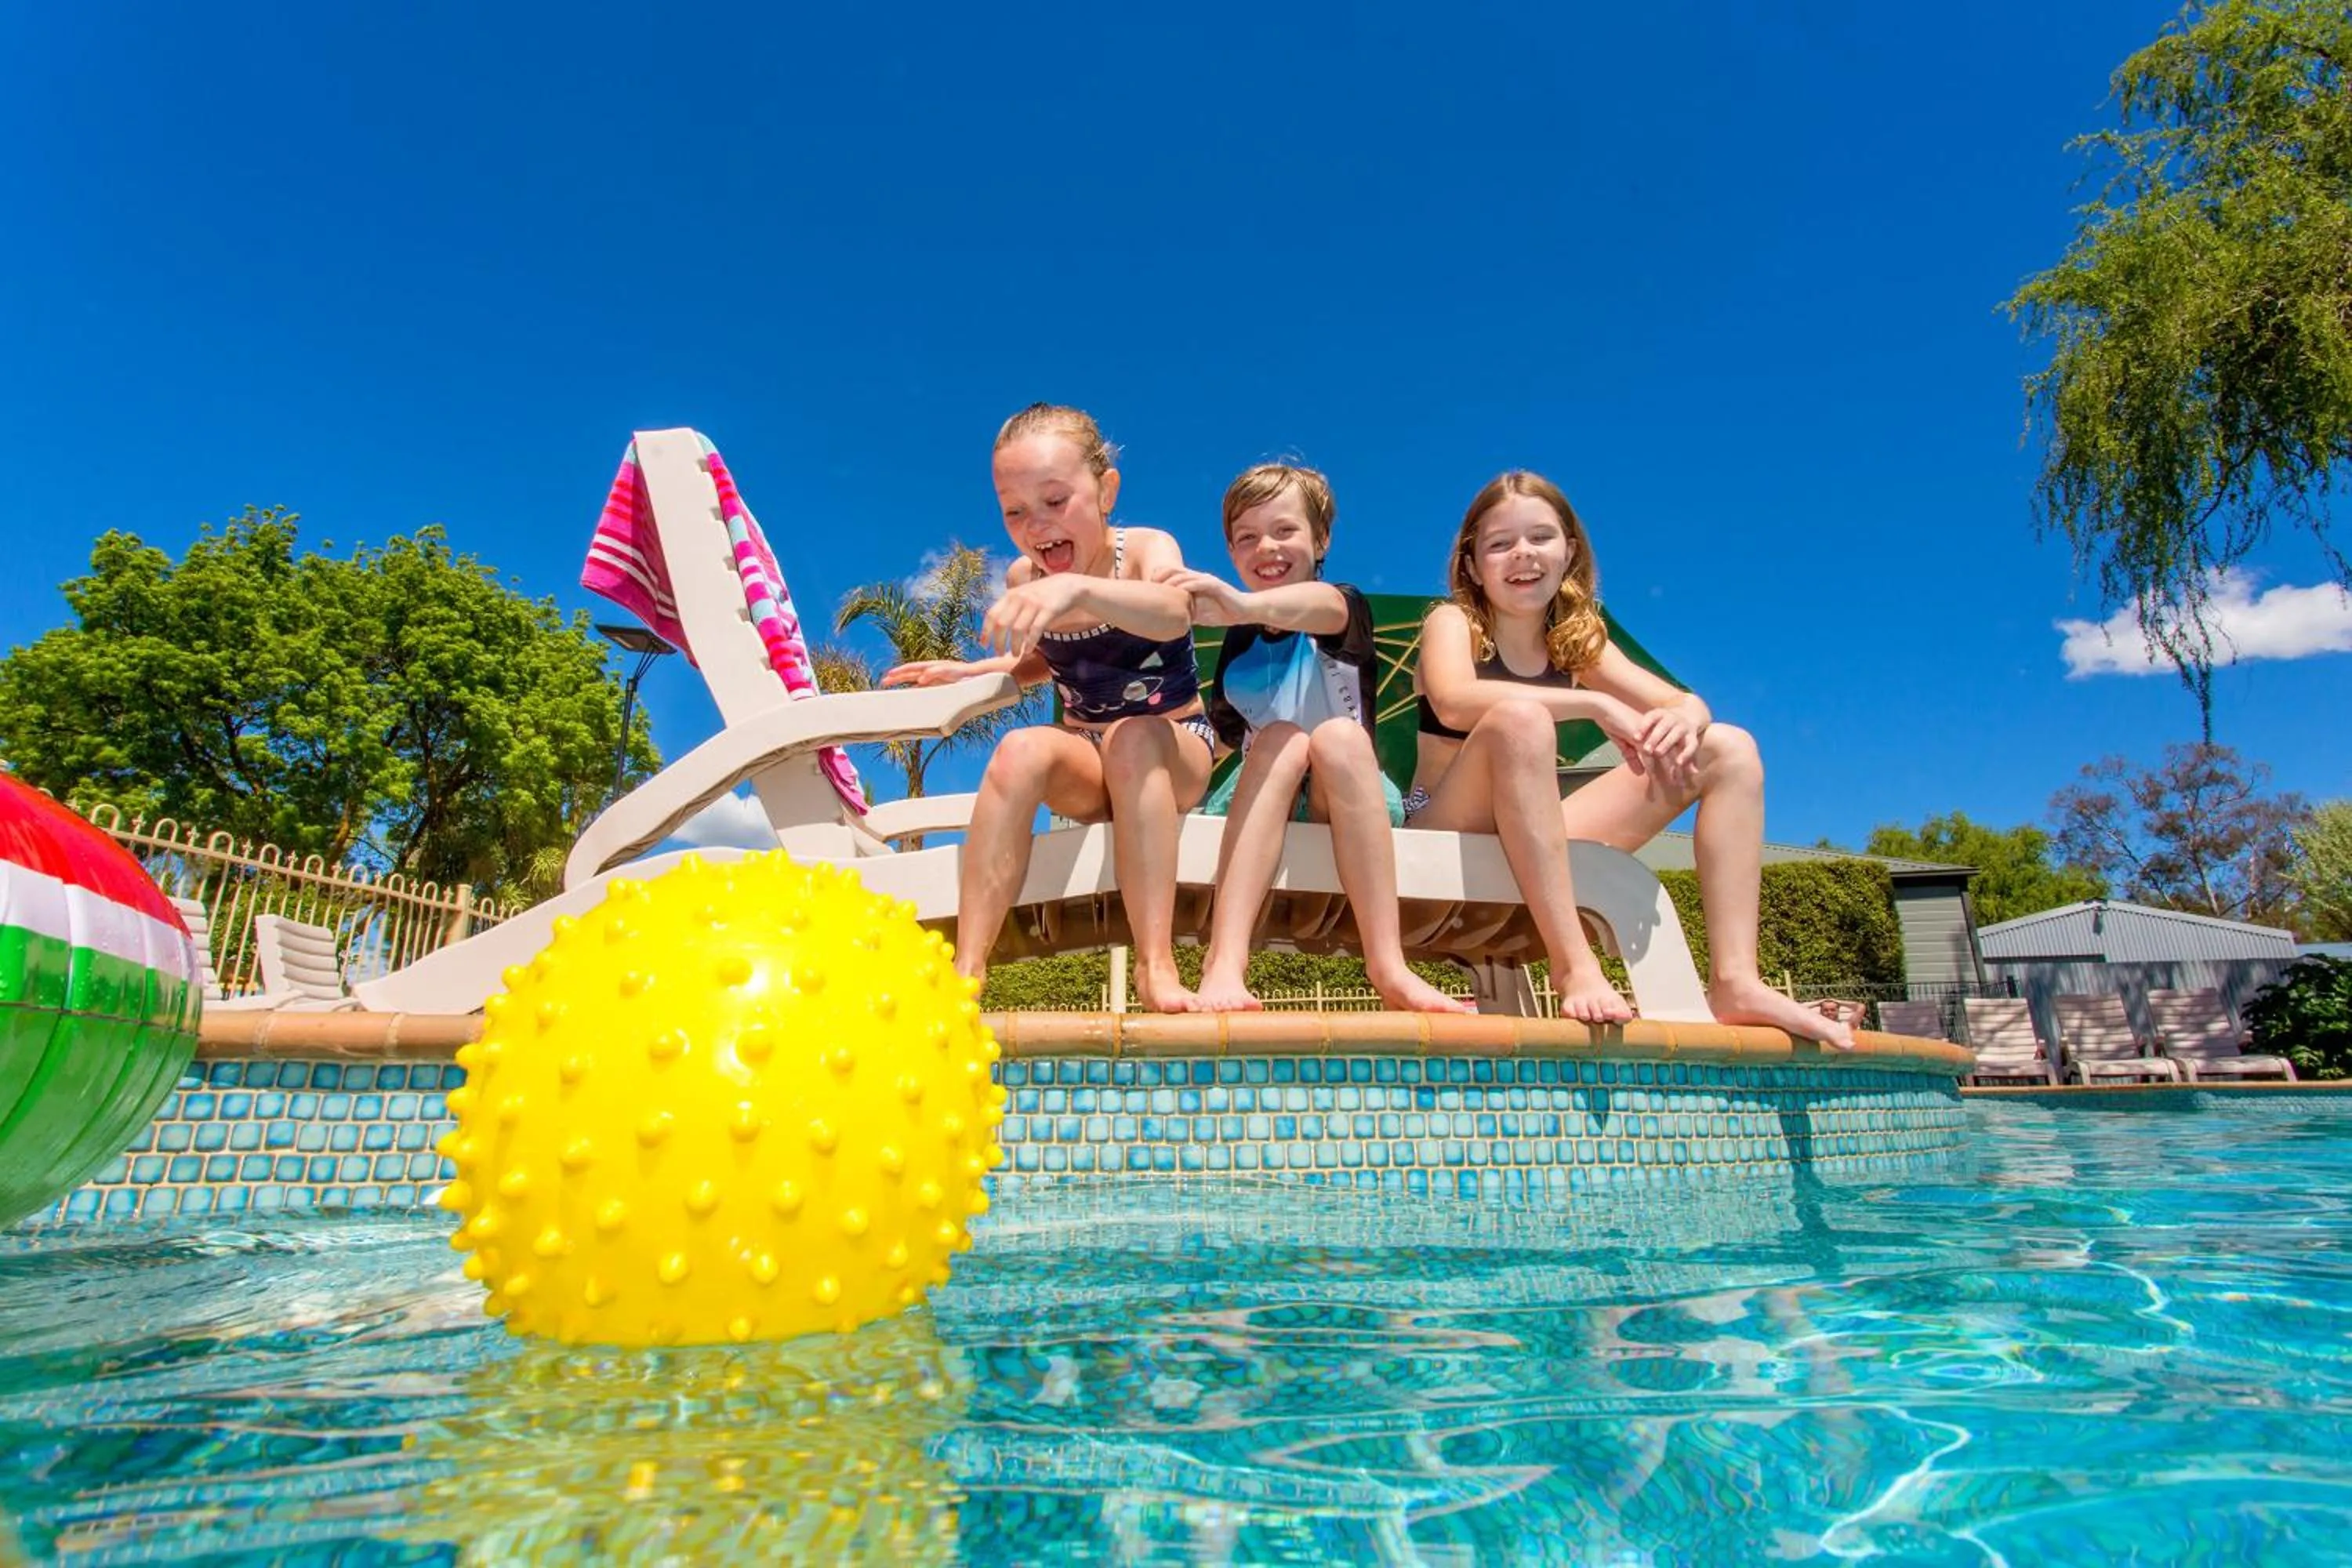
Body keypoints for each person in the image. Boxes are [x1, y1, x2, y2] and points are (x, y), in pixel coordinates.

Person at [1407, 470, 1854, 1047]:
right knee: (1519, 721)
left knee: (1728, 749)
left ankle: (1736, 980)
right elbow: (1453, 699)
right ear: (1472, 565)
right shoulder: (1455, 623)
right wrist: (1594, 704)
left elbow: (1685, 701)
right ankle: (1571, 963)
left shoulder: (1578, 643)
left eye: (1540, 538)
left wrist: (1686, 717)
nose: (1522, 555)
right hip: (1445, 831)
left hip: (1537, 834)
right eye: (1499, 544)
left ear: (1570, 550)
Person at [882, 404, 1214, 1011]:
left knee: (1134, 738)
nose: (1037, 526)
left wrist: (1078, 588)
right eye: (1015, 511)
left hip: (1171, 746)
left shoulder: (1143, 549)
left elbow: (1175, 611)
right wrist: (972, 670)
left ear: (1106, 490)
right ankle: (968, 971)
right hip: (1088, 758)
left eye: (1056, 501)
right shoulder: (1023, 578)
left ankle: (1156, 967)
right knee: (1021, 748)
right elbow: (1044, 660)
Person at [1155, 463, 1471, 1015]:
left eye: (1284, 531)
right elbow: (1231, 737)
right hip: (1264, 793)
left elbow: (1325, 608)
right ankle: (1225, 960)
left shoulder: (1340, 607)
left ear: (1320, 538)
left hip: (1343, 794)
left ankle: (1388, 965)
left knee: (1340, 738)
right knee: (1278, 738)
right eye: (1246, 537)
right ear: (1231, 551)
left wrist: (1240, 604)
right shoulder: (1238, 645)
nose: (1265, 547)